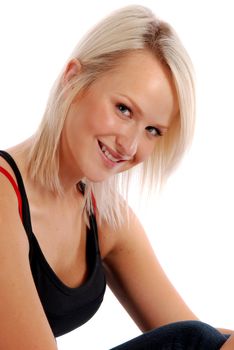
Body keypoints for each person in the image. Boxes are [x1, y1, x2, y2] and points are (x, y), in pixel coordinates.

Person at [0, 5, 232, 350]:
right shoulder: (4, 198)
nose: (130, 145)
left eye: (153, 130)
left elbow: (204, 340)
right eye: (124, 109)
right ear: (73, 79)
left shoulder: (103, 215)